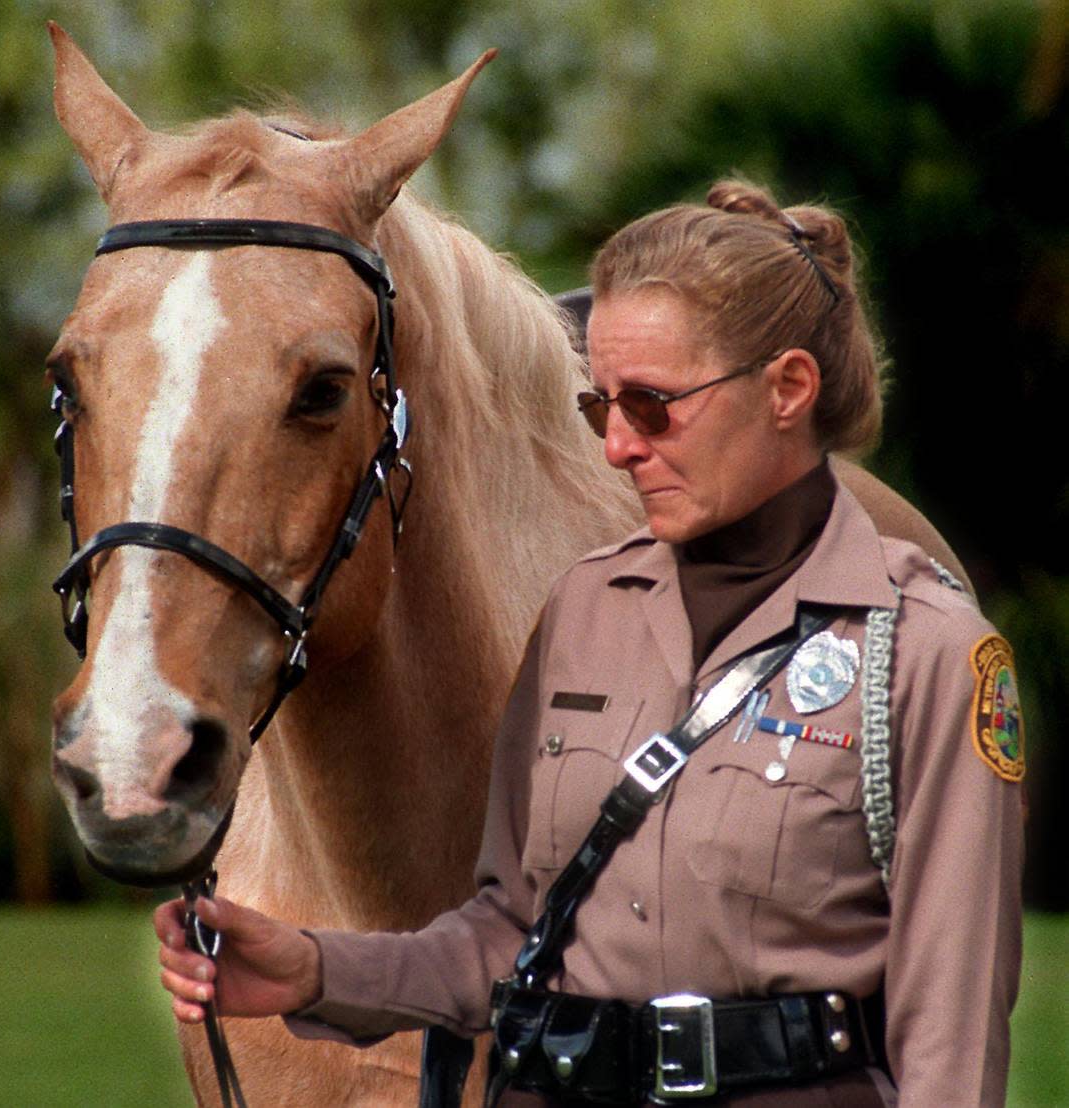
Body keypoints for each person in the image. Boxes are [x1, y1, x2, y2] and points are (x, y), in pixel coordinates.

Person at [157, 180, 1024, 1106]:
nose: (615, 446)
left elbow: (953, 1034)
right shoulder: (583, 611)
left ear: (788, 389)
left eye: (651, 407)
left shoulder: (925, 654)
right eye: (598, 408)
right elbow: (509, 936)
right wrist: (316, 969)